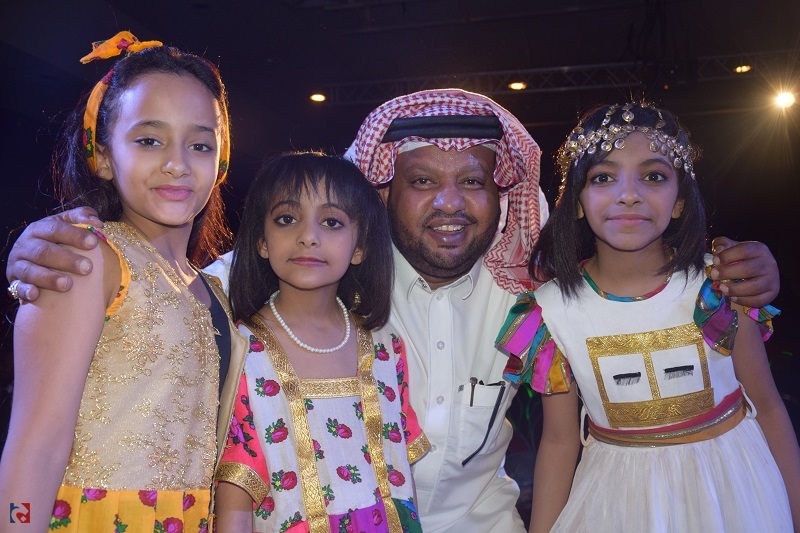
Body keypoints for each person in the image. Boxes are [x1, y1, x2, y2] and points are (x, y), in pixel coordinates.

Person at [4, 89, 783, 533]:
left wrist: (744, 264)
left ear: (501, 198)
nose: (449, 203)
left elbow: (639, 288)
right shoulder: (322, 269)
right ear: (383, 193)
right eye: (422, 181)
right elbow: (177, 281)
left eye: (472, 181)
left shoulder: (535, 299)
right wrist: (46, 244)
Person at [497, 102, 800, 532]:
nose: (629, 194)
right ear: (578, 201)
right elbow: (560, 442)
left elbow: (766, 405)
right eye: (603, 177)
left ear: (679, 201)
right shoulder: (551, 312)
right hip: (617, 503)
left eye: (653, 176)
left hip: (737, 490)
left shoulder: (720, 286)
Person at [0, 32, 248, 532]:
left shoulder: (214, 290)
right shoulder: (84, 256)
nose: (177, 163)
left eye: (200, 144)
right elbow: (34, 449)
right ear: (103, 155)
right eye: (149, 140)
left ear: (220, 163)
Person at [212, 151, 428, 532]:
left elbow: (400, 475)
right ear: (262, 241)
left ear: (359, 247)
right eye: (286, 219)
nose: (308, 236)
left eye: (331, 222)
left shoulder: (384, 345)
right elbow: (236, 489)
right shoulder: (242, 349)